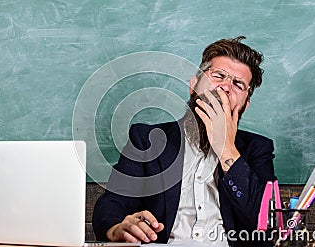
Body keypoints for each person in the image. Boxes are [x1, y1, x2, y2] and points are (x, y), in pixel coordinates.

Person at [92, 36, 277, 247]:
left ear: (246, 104)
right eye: (218, 76)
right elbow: (112, 204)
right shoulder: (146, 139)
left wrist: (227, 149)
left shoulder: (258, 149)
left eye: (238, 84)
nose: (226, 87)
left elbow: (267, 225)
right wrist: (117, 227)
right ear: (194, 85)